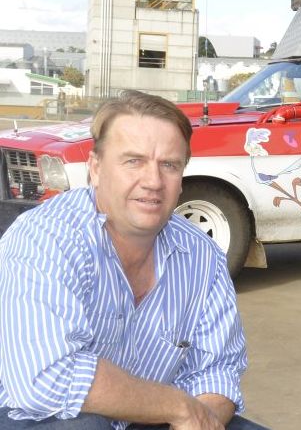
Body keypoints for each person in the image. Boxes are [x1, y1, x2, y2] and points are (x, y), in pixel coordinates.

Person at [0, 90, 265, 430]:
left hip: (152, 417)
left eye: (169, 165)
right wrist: (178, 408)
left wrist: (199, 417)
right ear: (95, 169)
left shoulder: (203, 256)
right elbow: (45, 378)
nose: (153, 181)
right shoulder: (45, 238)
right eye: (133, 161)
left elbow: (217, 370)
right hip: (30, 415)